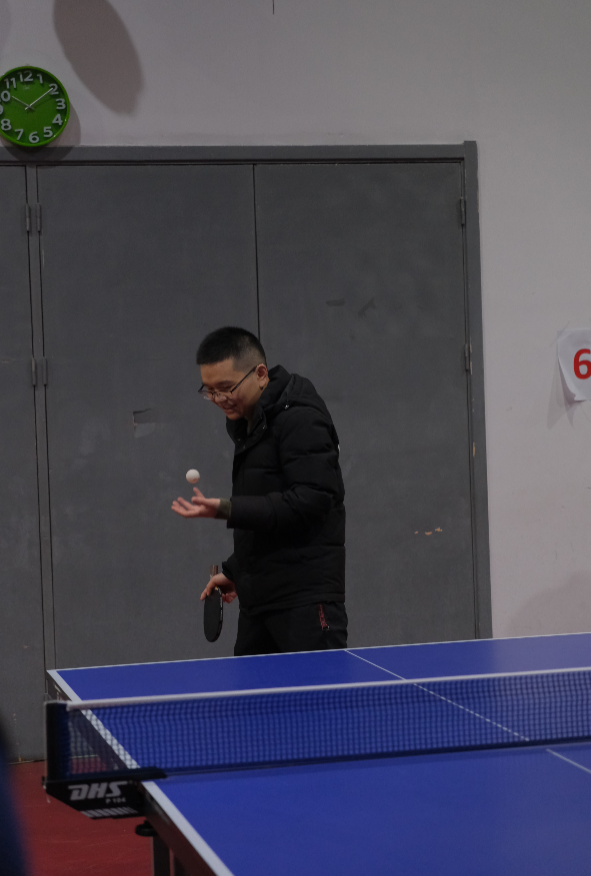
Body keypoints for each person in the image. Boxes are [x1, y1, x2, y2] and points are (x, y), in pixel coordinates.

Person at [172, 326, 347, 655]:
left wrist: (226, 508)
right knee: (251, 690)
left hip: (305, 604)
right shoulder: (249, 424)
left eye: (226, 388)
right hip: (259, 605)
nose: (218, 399)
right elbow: (270, 519)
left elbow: (311, 502)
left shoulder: (300, 419)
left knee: (315, 692)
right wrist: (236, 571)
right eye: (209, 391)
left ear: (261, 374)